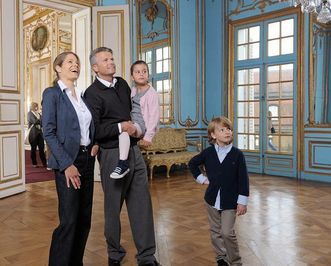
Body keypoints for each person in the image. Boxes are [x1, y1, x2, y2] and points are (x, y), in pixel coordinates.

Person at [84, 47, 160, 266]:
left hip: (134, 151)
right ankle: (114, 254)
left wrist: (140, 130)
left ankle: (147, 256)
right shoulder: (92, 93)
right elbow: (95, 131)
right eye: (105, 60)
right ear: (95, 67)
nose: (111, 62)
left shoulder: (124, 85)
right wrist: (120, 127)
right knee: (112, 206)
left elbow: (136, 112)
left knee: (142, 205)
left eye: (112, 58)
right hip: (111, 155)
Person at [42, 51, 98, 266]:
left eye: (77, 62)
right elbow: (49, 132)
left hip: (87, 160)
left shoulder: (81, 97)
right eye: (69, 62)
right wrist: (67, 164)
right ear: (58, 67)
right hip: (68, 163)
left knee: (84, 220)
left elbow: (87, 129)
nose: (75, 65)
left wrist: (95, 143)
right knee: (69, 221)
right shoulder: (52, 94)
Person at [188, 116, 249, 266]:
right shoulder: (208, 153)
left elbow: (243, 179)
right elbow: (192, 163)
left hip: (230, 201)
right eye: (222, 129)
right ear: (213, 135)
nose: (227, 132)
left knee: (227, 232)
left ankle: (235, 261)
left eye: (229, 129)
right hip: (211, 199)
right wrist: (201, 179)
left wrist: (242, 202)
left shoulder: (237, 154)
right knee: (215, 232)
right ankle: (221, 258)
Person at [110, 60, 160, 179]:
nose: (141, 74)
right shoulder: (132, 90)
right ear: (132, 76)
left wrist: (148, 137)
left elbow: (154, 116)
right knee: (122, 130)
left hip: (142, 125)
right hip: (133, 122)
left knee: (125, 130)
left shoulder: (151, 93)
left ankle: (122, 163)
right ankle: (122, 162)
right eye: (137, 72)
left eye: (144, 71)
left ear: (148, 74)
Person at [27, 102, 47, 168]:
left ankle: (44, 163)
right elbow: (34, 122)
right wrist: (40, 119)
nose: (36, 107)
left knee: (42, 149)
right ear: (32, 106)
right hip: (33, 134)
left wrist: (40, 119)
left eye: (37, 106)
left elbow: (42, 122)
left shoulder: (38, 114)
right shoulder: (29, 114)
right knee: (33, 149)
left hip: (40, 134)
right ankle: (34, 163)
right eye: (35, 106)